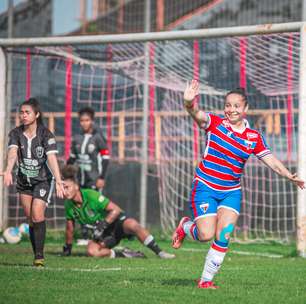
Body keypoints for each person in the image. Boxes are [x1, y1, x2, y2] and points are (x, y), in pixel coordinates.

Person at [172, 80, 305, 289]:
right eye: (228, 105)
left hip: (231, 192)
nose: (231, 109)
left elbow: (271, 160)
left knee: (223, 234)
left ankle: (205, 281)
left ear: (245, 109)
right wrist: (189, 102)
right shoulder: (215, 124)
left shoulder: (254, 138)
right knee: (205, 234)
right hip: (206, 186)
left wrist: (289, 175)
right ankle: (185, 226)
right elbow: (196, 113)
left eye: (236, 106)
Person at [61, 165, 175, 259]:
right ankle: (126, 254)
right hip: (104, 233)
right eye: (63, 188)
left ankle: (160, 253)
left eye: (67, 187)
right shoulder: (68, 205)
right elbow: (69, 229)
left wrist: (102, 225)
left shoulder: (91, 195)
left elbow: (116, 210)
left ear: (76, 186)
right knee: (92, 252)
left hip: (116, 224)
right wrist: (68, 248)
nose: (65, 191)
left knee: (133, 225)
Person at [3, 98, 65, 267]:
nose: (23, 115)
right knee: (30, 218)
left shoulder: (46, 134)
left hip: (42, 181)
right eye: (21, 112)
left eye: (27, 112)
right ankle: (36, 252)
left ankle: (39, 257)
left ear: (36, 115)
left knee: (38, 214)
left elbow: (52, 158)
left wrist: (59, 180)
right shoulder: (15, 134)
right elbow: (13, 153)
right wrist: (8, 170)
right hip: (24, 182)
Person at [67, 107, 110, 243]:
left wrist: (102, 177)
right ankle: (84, 235)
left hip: (94, 179)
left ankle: (97, 235)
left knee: (94, 206)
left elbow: (106, 159)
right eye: (82, 120)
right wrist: (65, 174)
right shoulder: (77, 138)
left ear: (92, 121)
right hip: (80, 179)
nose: (84, 123)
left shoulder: (98, 138)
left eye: (87, 120)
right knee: (79, 205)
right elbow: (72, 159)